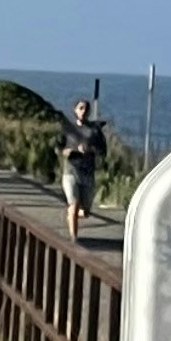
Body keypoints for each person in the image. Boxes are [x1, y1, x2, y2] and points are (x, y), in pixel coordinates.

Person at [57, 96, 106, 240]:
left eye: (86, 109)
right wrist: (66, 151)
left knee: (85, 212)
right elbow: (58, 147)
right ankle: (74, 239)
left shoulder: (94, 131)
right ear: (75, 110)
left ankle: (74, 212)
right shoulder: (68, 129)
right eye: (81, 108)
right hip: (71, 171)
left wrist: (90, 149)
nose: (83, 111)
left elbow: (102, 151)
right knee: (74, 204)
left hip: (87, 173)